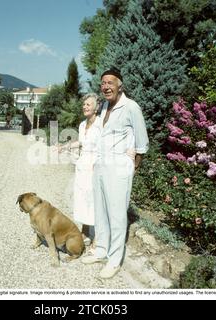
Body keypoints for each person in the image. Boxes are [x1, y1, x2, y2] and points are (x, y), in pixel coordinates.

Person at [81, 67, 149, 279]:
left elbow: (142, 143)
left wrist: (133, 166)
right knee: (101, 212)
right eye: (103, 83)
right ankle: (101, 250)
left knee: (117, 215)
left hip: (119, 169)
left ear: (120, 85)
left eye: (110, 82)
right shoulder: (103, 109)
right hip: (101, 167)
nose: (106, 86)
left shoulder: (131, 107)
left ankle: (114, 260)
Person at [59, 93, 101, 250]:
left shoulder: (101, 124)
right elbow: (81, 142)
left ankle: (97, 237)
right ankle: (84, 231)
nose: (85, 106)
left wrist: (99, 164)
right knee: (83, 198)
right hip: (83, 165)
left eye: (88, 104)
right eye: (84, 104)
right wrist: (65, 146)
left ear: (96, 107)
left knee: (94, 200)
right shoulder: (83, 125)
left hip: (96, 166)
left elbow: (104, 147)